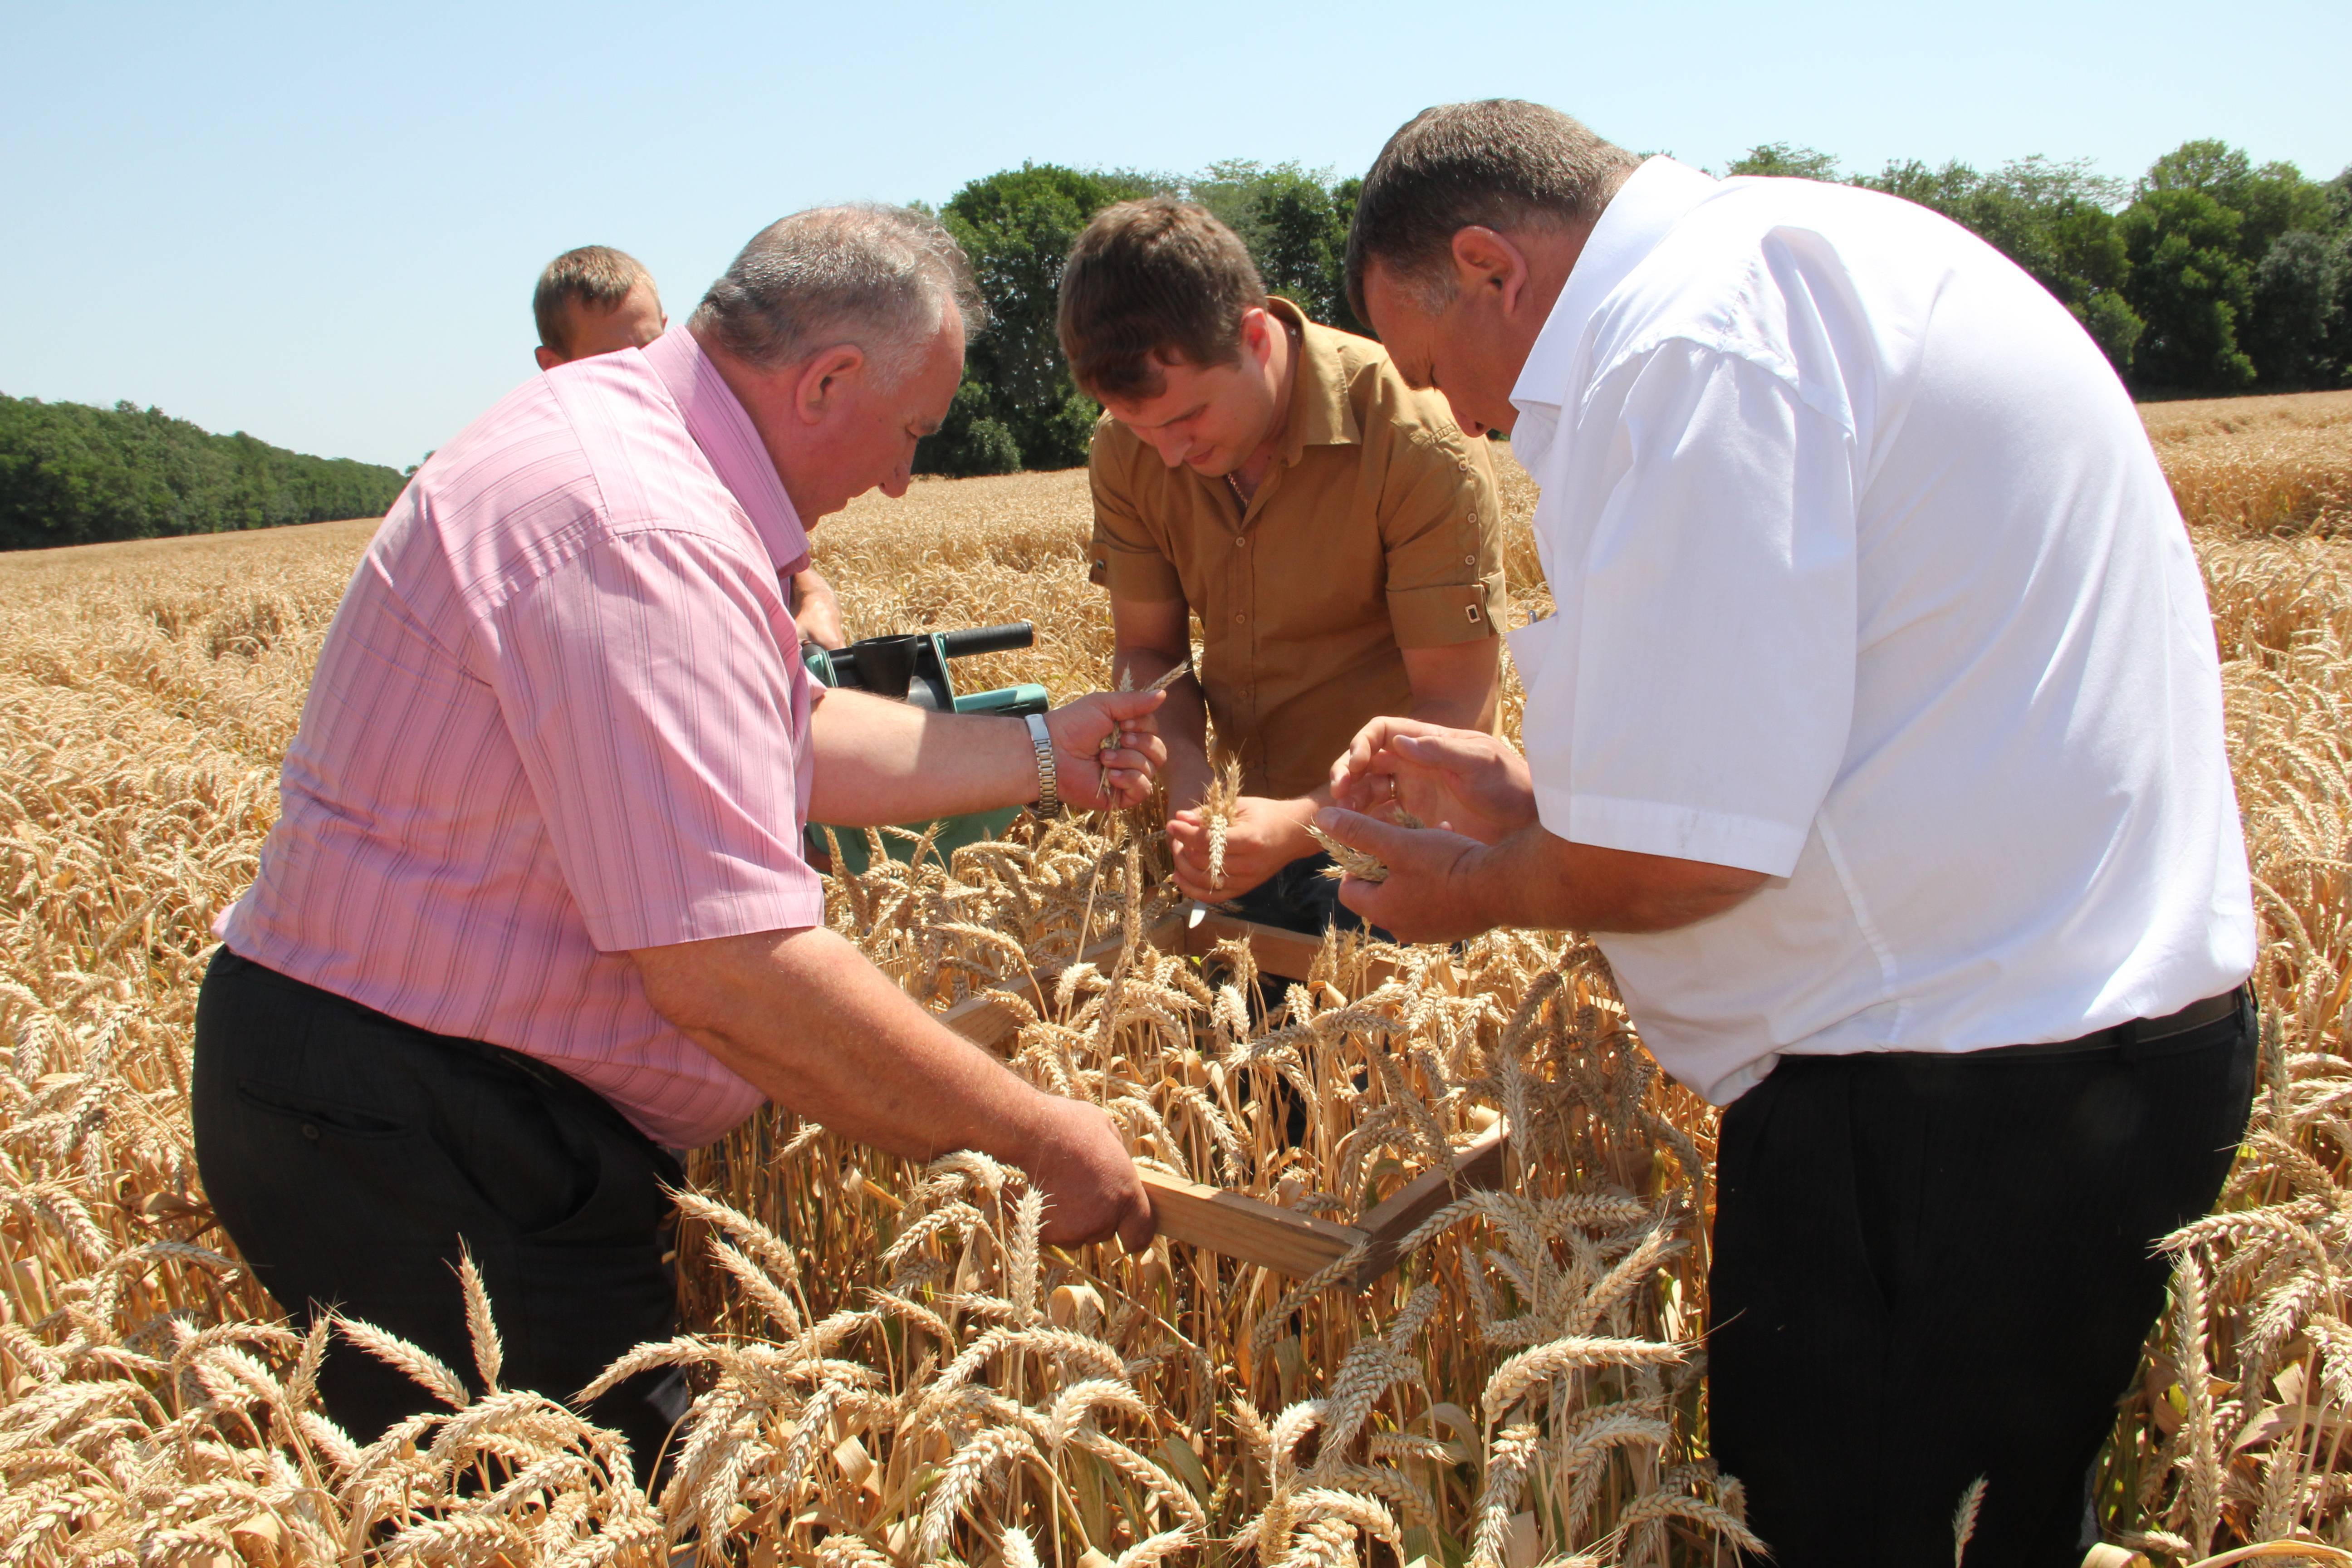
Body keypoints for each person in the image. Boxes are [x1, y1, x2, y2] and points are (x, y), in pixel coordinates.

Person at [1322, 100, 2258, 1565]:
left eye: (1437, 367)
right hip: (2069, 1057)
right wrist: (1528, 794)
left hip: (1954, 1100)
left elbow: (1694, 853)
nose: (1459, 418)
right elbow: (1830, 723)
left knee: (1867, 1529)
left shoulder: (1686, 348)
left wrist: (1480, 887)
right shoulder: (1798, 264)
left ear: (1492, 262)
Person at [193, 206, 1166, 1480]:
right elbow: (727, 966)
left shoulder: (628, 455)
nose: (899, 480)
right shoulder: (639, 524)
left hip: (400, 1100)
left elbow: (776, 728)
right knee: (605, 1510)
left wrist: (1044, 751)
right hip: (418, 1130)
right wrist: (1035, 1138)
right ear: (824, 381)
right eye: (911, 431)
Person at [1057, 198, 1508, 933]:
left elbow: (1456, 711)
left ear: (1254, 337)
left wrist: (1301, 823)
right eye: (1141, 429)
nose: (1168, 455)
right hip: (1240, 841)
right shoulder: (1126, 449)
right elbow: (1148, 653)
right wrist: (1188, 780)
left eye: (1184, 419)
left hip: (1405, 845)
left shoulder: (1415, 438)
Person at [533, 243, 847, 649]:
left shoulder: (709, 436)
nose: (641, 375)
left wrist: (816, 600)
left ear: (666, 328)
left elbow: (790, 564)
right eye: (611, 364)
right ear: (553, 366)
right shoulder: (562, 478)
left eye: (650, 349)